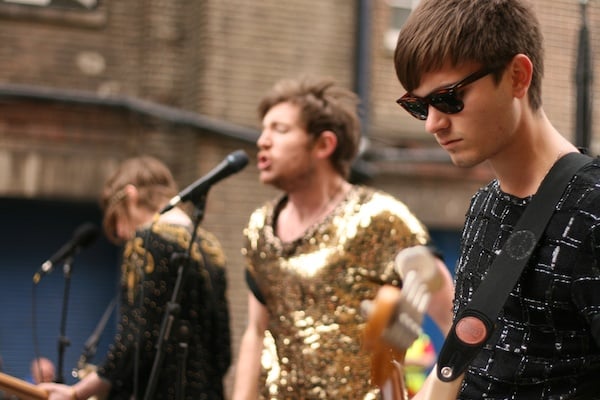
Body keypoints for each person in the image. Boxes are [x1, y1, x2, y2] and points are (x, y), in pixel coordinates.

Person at [394, 0, 600, 398]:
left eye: (449, 98)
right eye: (419, 107)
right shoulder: (483, 207)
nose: (434, 124)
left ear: (517, 77)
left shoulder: (592, 210)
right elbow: (473, 370)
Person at [231, 76, 454, 399]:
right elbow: (255, 330)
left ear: (324, 144)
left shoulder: (380, 219)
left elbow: (454, 320)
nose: (262, 141)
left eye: (279, 130)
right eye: (264, 130)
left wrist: (433, 395)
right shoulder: (259, 226)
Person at [39, 156, 232, 400]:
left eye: (118, 218)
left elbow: (136, 341)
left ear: (130, 196)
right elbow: (223, 352)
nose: (120, 232)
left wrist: (78, 392)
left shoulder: (147, 239)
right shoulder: (210, 247)